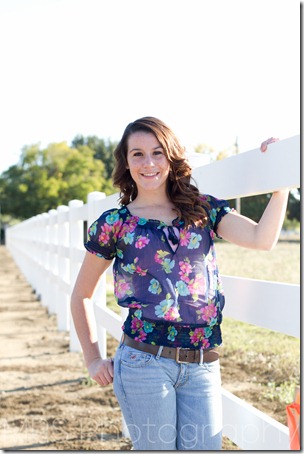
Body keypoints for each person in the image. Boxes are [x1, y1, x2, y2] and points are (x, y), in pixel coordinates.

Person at [70, 117, 289, 450]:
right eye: (138, 154)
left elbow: (261, 239)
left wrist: (281, 184)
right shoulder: (115, 224)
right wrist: (93, 359)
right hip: (144, 363)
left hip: (202, 363)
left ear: (171, 157)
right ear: (126, 162)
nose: (149, 163)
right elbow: (82, 295)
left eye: (158, 153)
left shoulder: (202, 210)